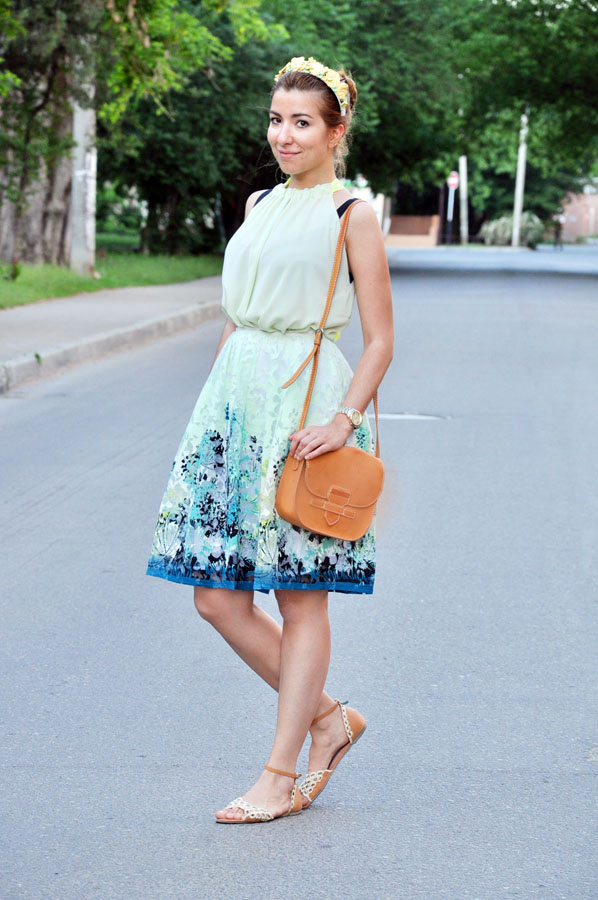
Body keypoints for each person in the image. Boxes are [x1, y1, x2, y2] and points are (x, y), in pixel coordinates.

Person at [146, 56, 394, 823]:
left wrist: (341, 421)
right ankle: (328, 719)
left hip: (306, 411)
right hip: (234, 407)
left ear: (336, 131)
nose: (284, 135)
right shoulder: (258, 203)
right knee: (216, 597)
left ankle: (280, 775)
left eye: (302, 122)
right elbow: (236, 318)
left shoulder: (351, 214)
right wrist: (211, 413)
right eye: (277, 119)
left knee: (298, 596)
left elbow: (382, 340)